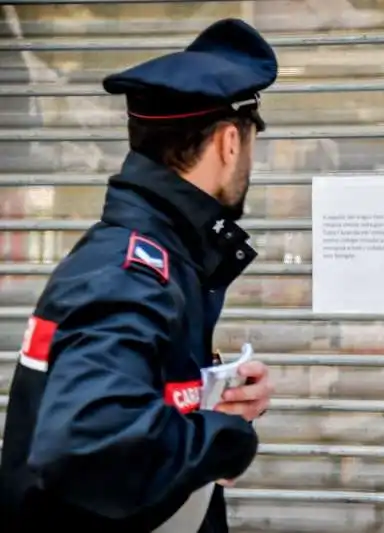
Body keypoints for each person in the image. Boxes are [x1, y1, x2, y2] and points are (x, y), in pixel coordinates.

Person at [0, 17, 277, 532]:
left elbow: (136, 389)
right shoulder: (129, 271)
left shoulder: (159, 255)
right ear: (228, 144)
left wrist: (218, 396)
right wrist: (225, 440)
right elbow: (91, 445)